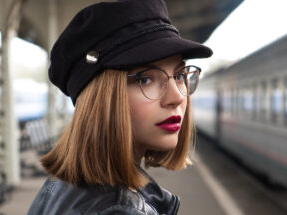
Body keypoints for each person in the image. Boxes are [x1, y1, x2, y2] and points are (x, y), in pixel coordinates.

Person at [27, 0, 212, 214]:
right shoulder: (120, 209)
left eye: (180, 76)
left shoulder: (60, 185)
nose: (177, 97)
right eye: (145, 79)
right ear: (102, 100)